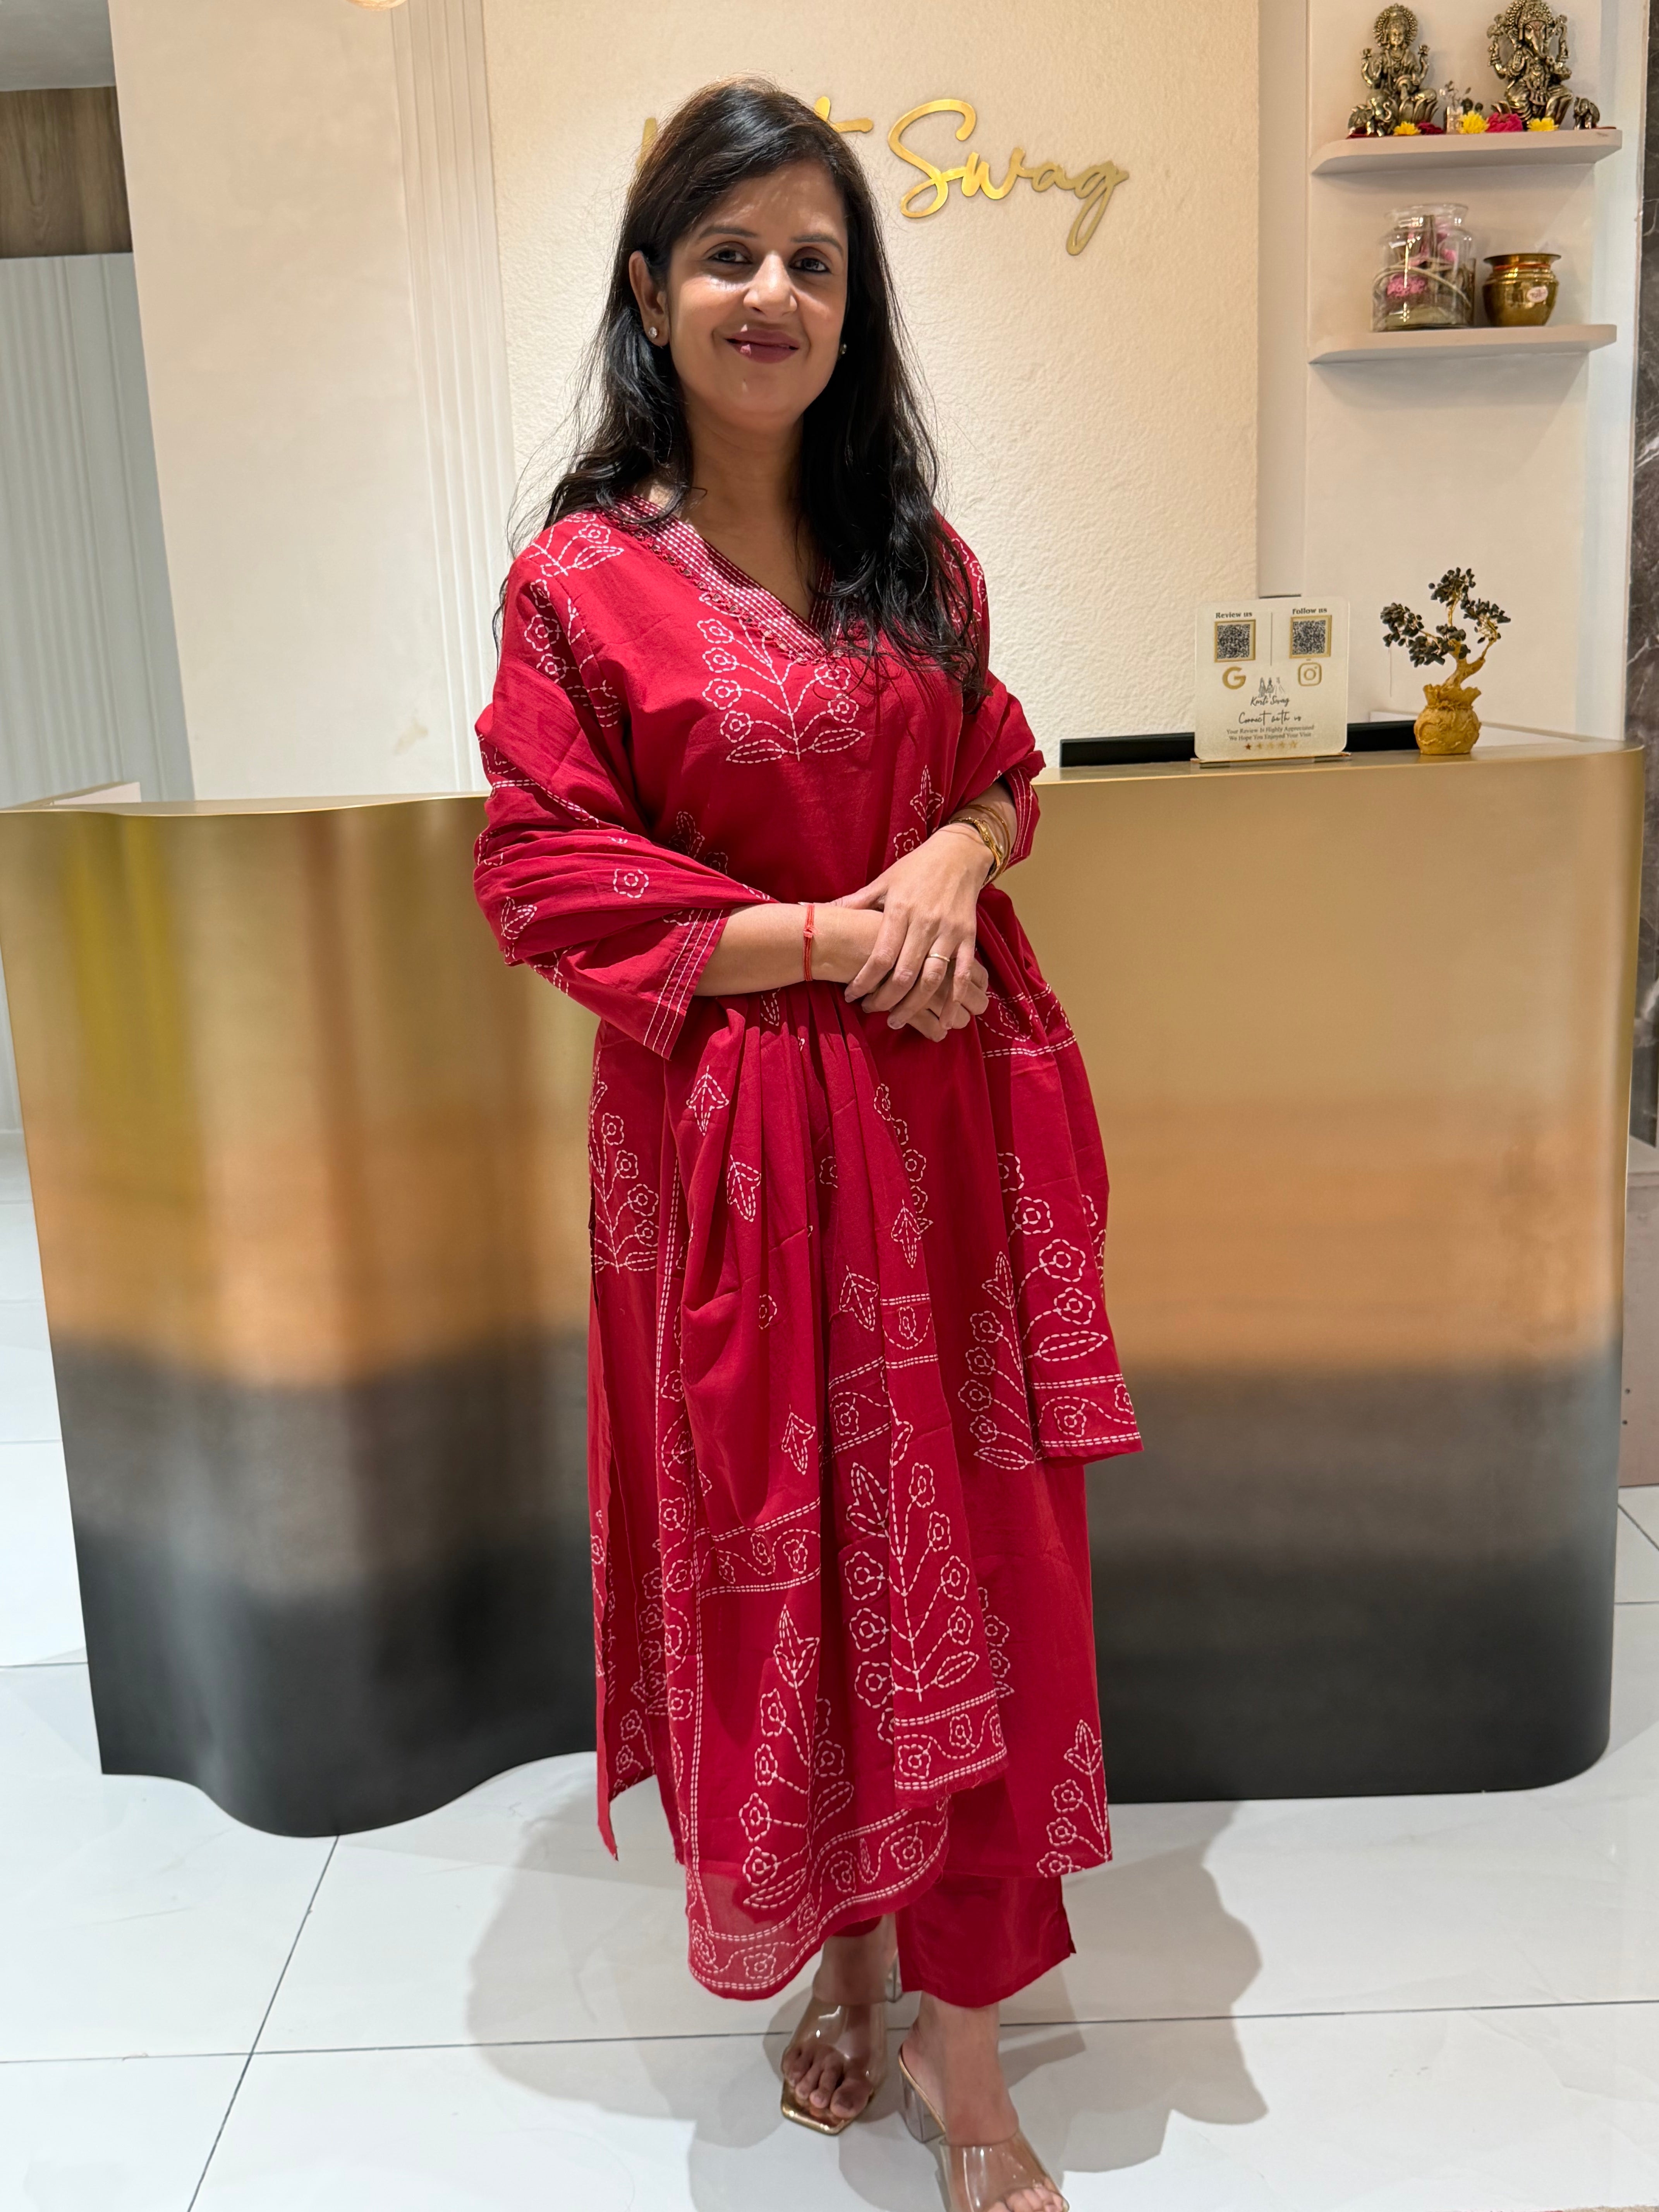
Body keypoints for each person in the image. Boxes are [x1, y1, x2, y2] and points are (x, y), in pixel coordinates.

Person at [474, 77, 1140, 2212]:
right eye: (729, 253)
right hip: (734, 1161)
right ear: (651, 289)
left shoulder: (915, 557)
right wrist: (836, 936)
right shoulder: (581, 583)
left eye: (814, 261)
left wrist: (954, 853)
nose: (771, 292)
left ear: (855, 307)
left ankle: (964, 2037)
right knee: (796, 1566)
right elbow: (546, 879)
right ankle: (843, 1958)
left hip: (945, 1140)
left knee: (974, 1566)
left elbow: (1004, 765)